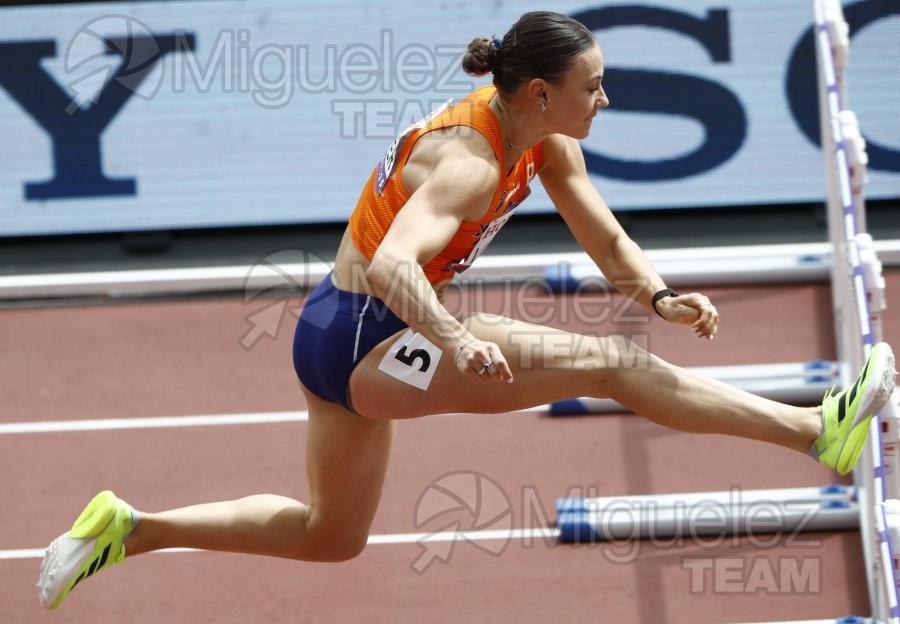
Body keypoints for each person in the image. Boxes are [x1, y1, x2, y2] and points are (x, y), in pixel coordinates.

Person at [38, 10, 896, 610]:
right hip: (370, 331)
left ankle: (130, 529)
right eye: (593, 86)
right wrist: (453, 333)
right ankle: (816, 431)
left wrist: (661, 295)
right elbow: (390, 262)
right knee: (617, 366)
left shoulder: (544, 140)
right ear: (536, 93)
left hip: (338, 333)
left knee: (329, 535)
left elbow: (605, 240)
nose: (605, 99)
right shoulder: (471, 165)